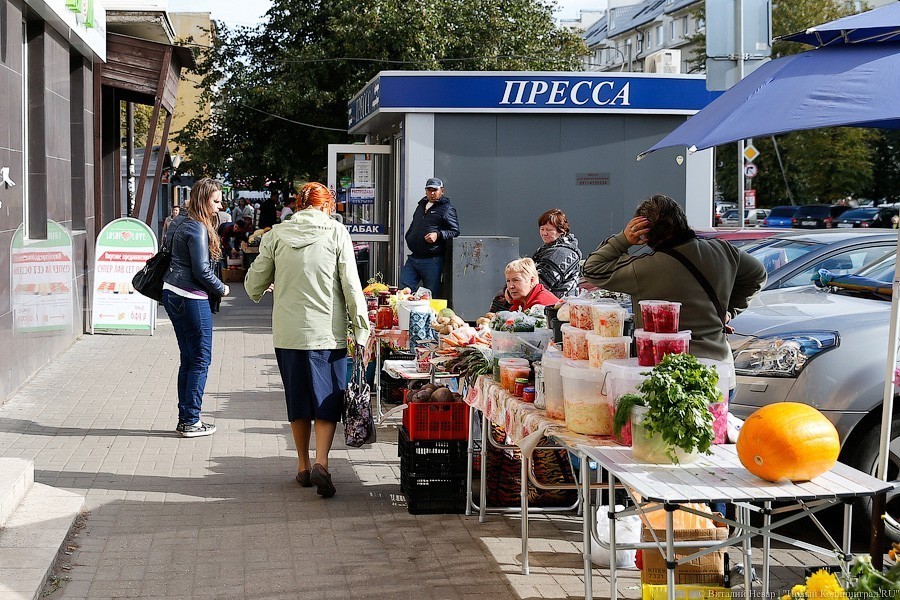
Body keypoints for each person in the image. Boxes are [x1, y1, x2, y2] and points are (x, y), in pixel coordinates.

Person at [244, 181, 370, 498]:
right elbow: (352, 286)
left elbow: (253, 285)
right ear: (327, 205)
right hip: (327, 333)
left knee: (297, 399)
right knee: (327, 399)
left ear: (299, 206)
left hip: (287, 333)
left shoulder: (276, 236)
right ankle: (322, 463)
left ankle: (301, 466)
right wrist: (362, 328)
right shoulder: (336, 232)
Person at [581, 194, 767, 362]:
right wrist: (729, 312)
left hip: (667, 372)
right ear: (682, 221)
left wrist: (623, 239)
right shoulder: (723, 251)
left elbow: (591, 268)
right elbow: (758, 275)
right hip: (719, 367)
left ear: (645, 233)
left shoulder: (645, 268)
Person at [162, 178, 230, 438]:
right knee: (200, 359)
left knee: (188, 359)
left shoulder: (180, 222)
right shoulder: (198, 228)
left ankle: (186, 418)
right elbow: (201, 270)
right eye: (215, 201)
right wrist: (221, 288)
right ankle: (191, 420)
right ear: (203, 200)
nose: (219, 206)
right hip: (190, 296)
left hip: (174, 293)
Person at [399, 177, 459, 296]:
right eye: (429, 190)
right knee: (404, 288)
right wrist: (409, 236)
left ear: (442, 191)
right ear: (425, 191)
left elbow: (455, 231)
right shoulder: (421, 206)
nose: (432, 193)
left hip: (432, 260)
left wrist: (438, 234)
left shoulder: (447, 209)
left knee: (431, 295)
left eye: (435, 190)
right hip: (414, 257)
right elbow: (414, 224)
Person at [533, 208, 582, 298]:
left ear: (562, 230)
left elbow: (541, 283)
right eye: (542, 229)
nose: (544, 233)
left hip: (559, 306)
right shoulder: (546, 249)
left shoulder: (563, 253)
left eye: (549, 230)